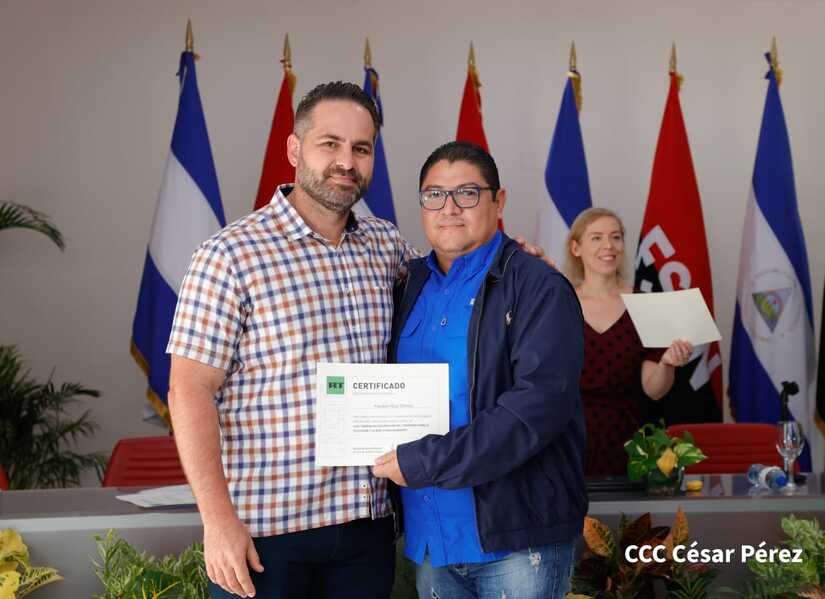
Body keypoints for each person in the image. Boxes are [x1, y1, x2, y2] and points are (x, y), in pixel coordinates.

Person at [166, 82, 551, 599]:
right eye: (330, 144)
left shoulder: (385, 245)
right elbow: (189, 390)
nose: (346, 161)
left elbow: (458, 280)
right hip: (265, 534)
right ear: (294, 149)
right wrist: (217, 521)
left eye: (361, 148)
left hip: (366, 530)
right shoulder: (229, 255)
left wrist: (516, 262)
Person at [373, 141, 586, 599]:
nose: (449, 208)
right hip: (431, 538)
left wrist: (426, 461)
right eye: (434, 195)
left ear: (499, 201)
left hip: (517, 541)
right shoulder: (407, 285)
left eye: (467, 193)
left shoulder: (538, 286)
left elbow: (537, 408)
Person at [563, 207, 693, 476]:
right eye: (596, 238)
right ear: (576, 248)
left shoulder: (645, 305)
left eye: (616, 237)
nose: (609, 246)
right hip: (566, 442)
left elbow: (654, 390)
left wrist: (667, 363)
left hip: (628, 445)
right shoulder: (558, 303)